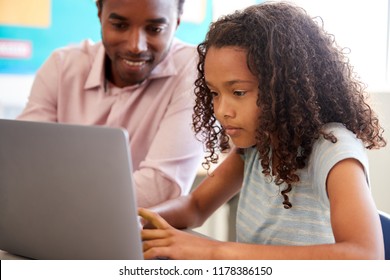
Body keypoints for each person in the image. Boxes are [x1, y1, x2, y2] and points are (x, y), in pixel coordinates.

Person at [139, 2, 387, 259]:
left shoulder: (334, 150)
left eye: (238, 92)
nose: (222, 110)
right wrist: (139, 219)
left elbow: (365, 255)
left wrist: (215, 251)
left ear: (285, 88)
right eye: (214, 93)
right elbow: (196, 205)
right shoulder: (257, 144)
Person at [16, 0, 204, 208]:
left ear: (177, 23)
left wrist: (53, 193)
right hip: (49, 225)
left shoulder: (196, 72)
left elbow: (161, 188)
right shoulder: (61, 67)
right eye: (120, 26)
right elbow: (23, 162)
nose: (136, 46)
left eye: (154, 29)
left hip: (140, 236)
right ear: (99, 14)